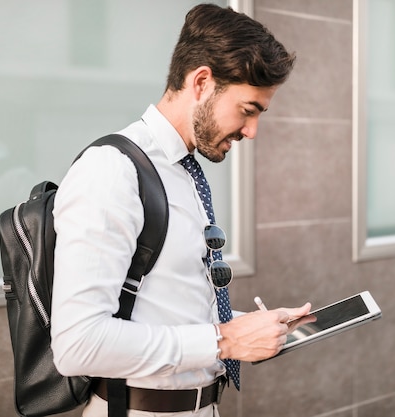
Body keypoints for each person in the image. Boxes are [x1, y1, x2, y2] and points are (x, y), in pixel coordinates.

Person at [50, 4, 312, 416]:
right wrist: (224, 341)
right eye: (248, 110)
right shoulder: (112, 170)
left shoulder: (183, 170)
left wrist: (251, 328)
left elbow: (168, 305)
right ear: (202, 81)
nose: (252, 131)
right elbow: (78, 344)